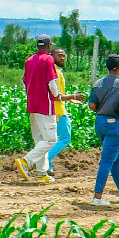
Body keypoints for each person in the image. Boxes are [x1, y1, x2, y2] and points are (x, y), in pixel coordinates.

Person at [87, 53, 119, 205]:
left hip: (100, 123)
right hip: (115, 125)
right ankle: (97, 197)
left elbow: (92, 105)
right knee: (107, 159)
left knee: (114, 157)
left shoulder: (98, 84)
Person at [16, 34, 60, 183]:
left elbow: (24, 83)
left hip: (32, 104)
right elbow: (52, 84)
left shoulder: (29, 60)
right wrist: (57, 95)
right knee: (51, 139)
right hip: (45, 104)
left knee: (40, 140)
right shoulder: (48, 59)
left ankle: (42, 173)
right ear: (48, 47)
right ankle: (26, 161)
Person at [44, 48, 74, 179]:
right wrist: (72, 96)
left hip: (51, 109)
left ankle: (48, 166)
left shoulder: (50, 71)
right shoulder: (55, 73)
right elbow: (57, 96)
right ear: (52, 56)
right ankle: (45, 161)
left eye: (63, 55)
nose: (62, 58)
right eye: (59, 55)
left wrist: (69, 98)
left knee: (51, 140)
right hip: (58, 110)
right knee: (65, 138)